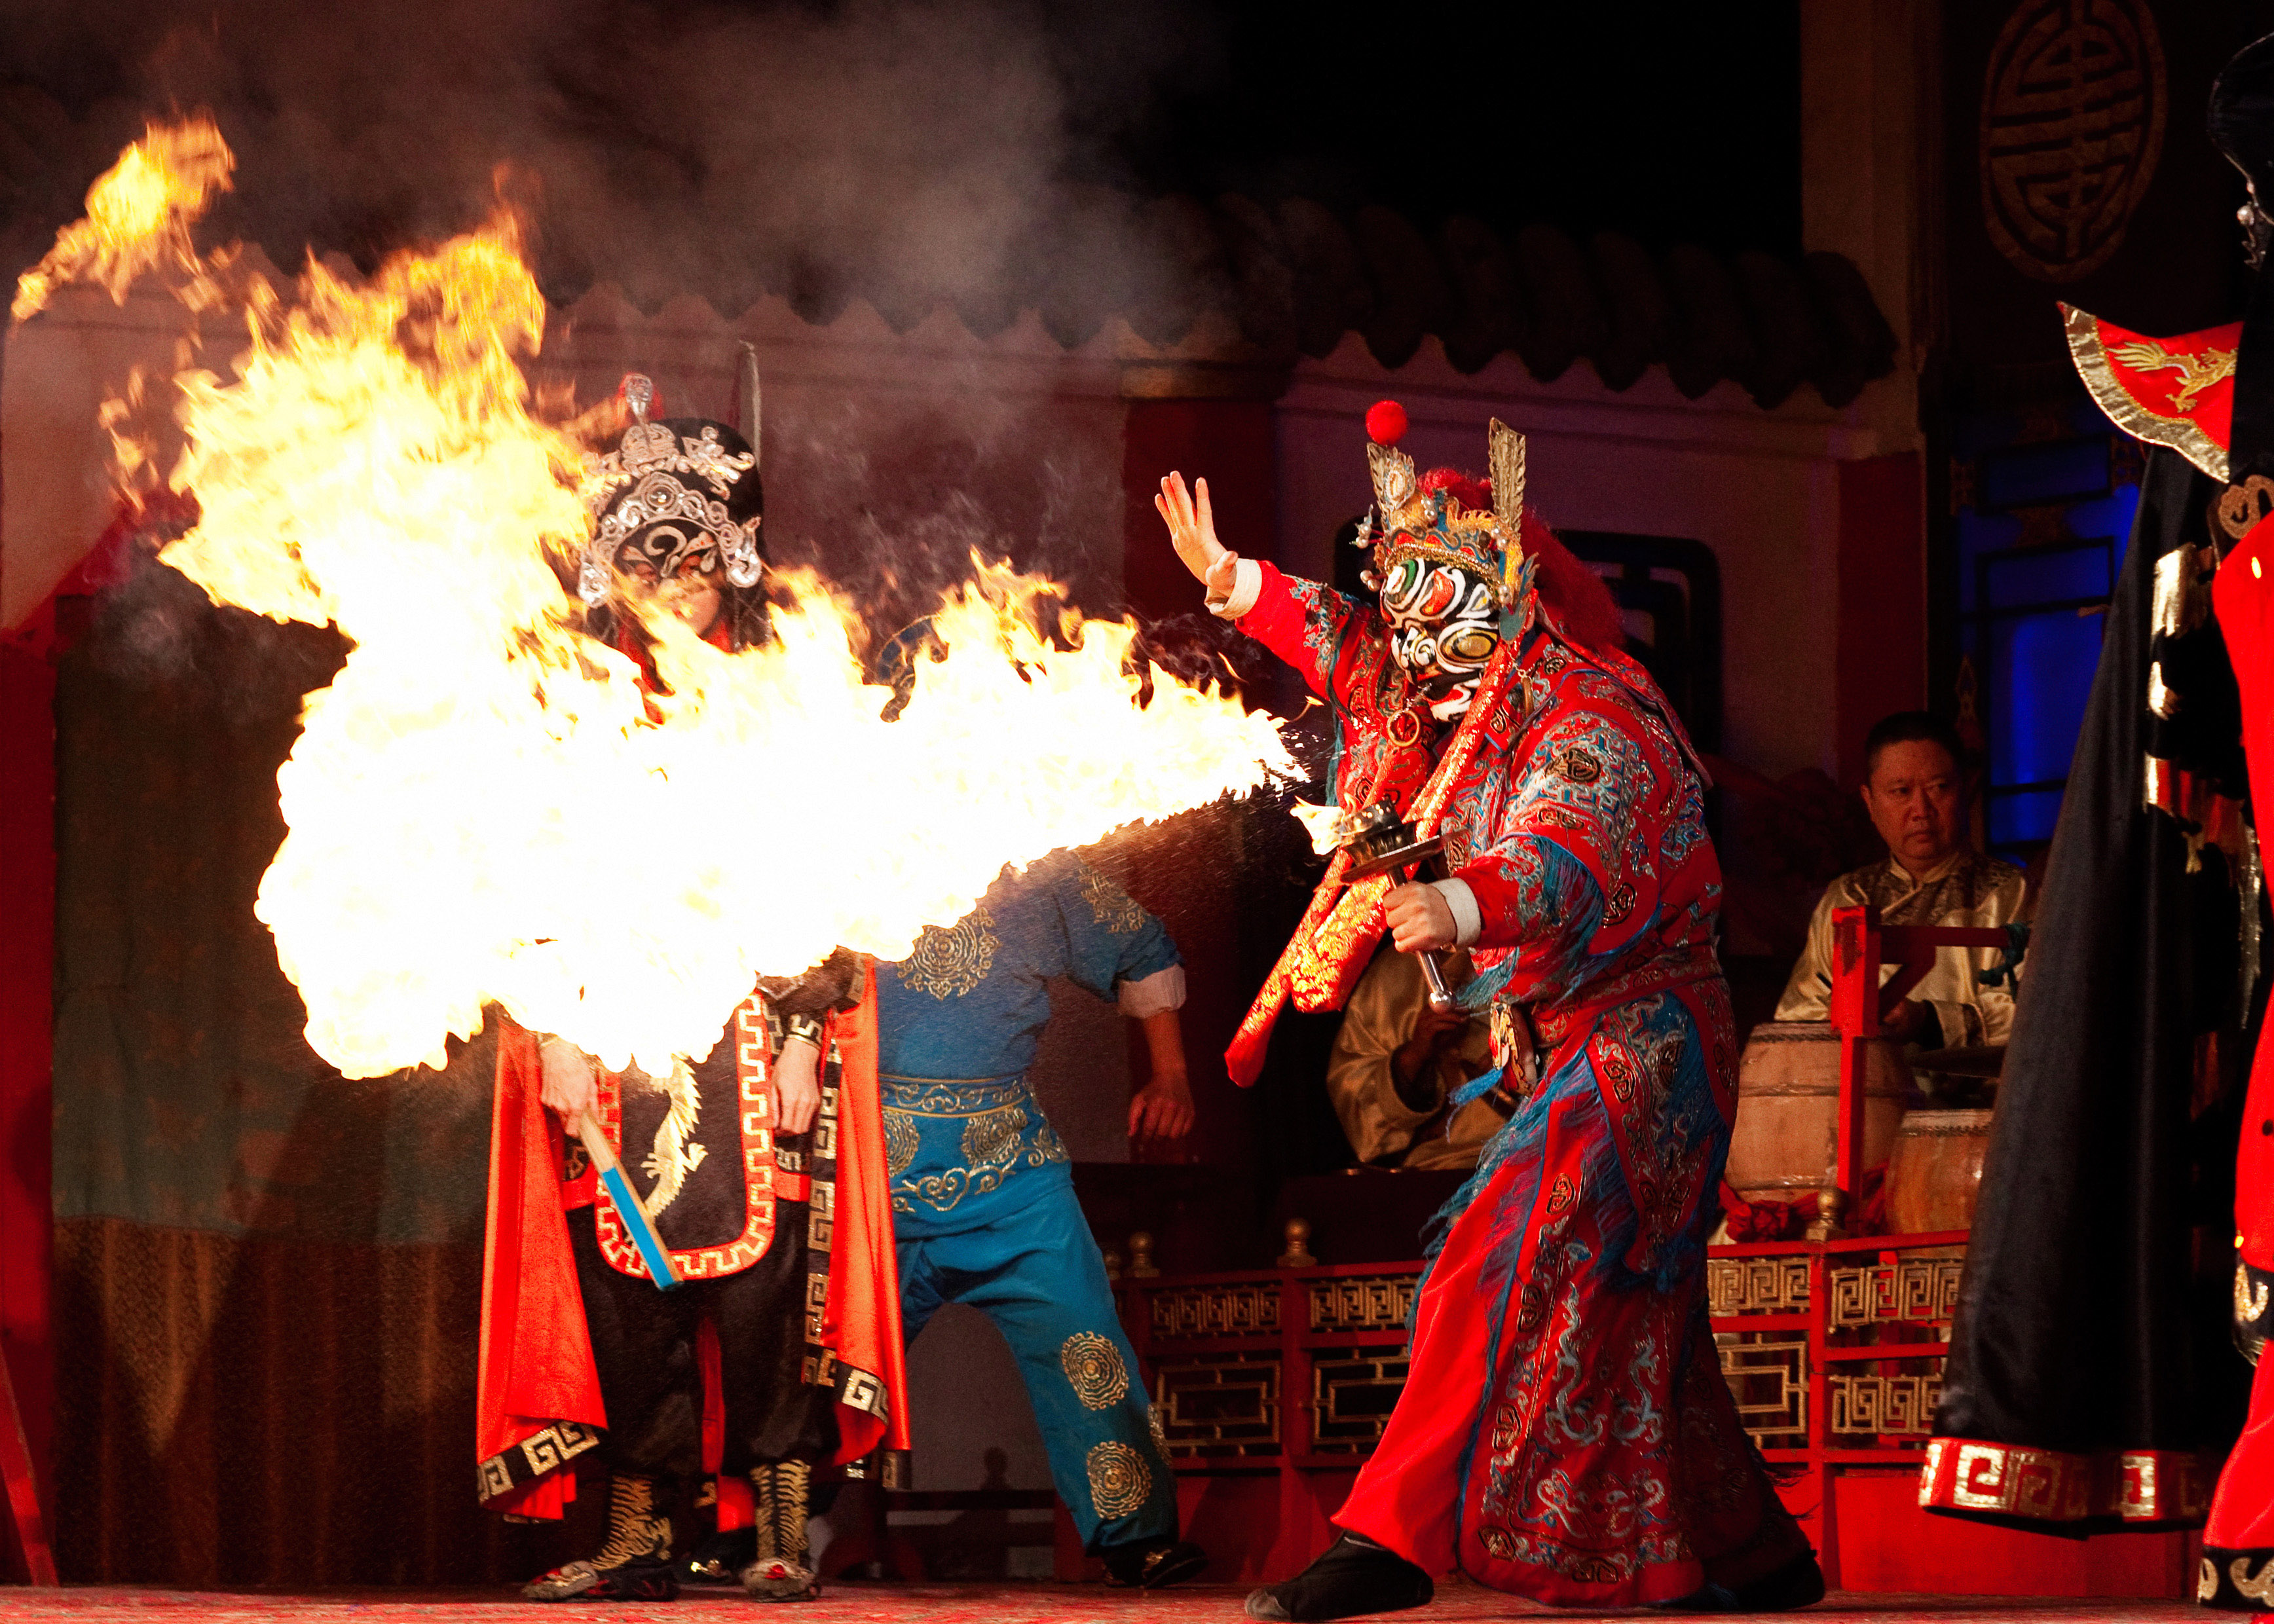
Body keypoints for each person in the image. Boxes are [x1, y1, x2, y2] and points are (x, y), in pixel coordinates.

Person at [1155, 401, 1817, 1616]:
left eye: (1435, 617)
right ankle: (1749, 1552)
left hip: (1645, 1044)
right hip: (1576, 1043)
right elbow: (1340, 648)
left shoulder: (1589, 712)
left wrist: (1457, 905)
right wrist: (1235, 581)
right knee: (1635, 1292)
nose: (1408, 651)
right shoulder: (1452, 692)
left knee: (1484, 1258)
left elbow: (1562, 853)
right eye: (1402, 621)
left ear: (1509, 595)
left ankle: (1387, 1541)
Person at [476, 362, 910, 1604]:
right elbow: (525, 885)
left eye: (691, 560)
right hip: (611, 1044)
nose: (669, 585)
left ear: (732, 565)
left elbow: (837, 879)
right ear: (608, 572)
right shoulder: (565, 710)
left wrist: (797, 1038)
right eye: (645, 562)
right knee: (625, 1295)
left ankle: (777, 1527)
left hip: (750, 1026)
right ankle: (636, 1534)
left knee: (766, 1287)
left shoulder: (786, 703)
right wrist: (551, 1034)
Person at [866, 749, 1208, 1589]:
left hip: (1013, 1174)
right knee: (839, 1375)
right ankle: (770, 1538)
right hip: (873, 1175)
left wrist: (1170, 1075)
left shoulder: (1037, 869)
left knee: (1086, 1347)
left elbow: (1141, 947)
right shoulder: (851, 854)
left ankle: (1137, 1538)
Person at [1772, 712, 2026, 1049]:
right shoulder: (1849, 896)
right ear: (1870, 802)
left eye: (1939, 788)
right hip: (1870, 1093)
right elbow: (1802, 1016)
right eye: (1901, 791)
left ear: (1965, 789)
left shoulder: (2014, 892)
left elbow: (2034, 1013)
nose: (1921, 809)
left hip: (1983, 1098)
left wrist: (1930, 1021)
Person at [1326, 944, 1498, 1170]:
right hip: (1442, 1163)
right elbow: (1354, 1090)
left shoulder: (1544, 946)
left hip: (1534, 1149)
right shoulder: (1396, 972)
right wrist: (1416, 1055)